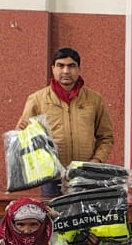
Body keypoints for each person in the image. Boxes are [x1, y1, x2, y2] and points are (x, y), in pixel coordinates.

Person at [17, 47, 116, 194]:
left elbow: (106, 137)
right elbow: (22, 138)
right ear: (53, 69)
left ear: (79, 69)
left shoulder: (94, 99)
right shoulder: (37, 99)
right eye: (60, 65)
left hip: (85, 174)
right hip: (51, 176)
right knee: (52, 209)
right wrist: (22, 131)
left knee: (83, 210)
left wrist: (96, 161)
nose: (66, 71)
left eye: (71, 66)